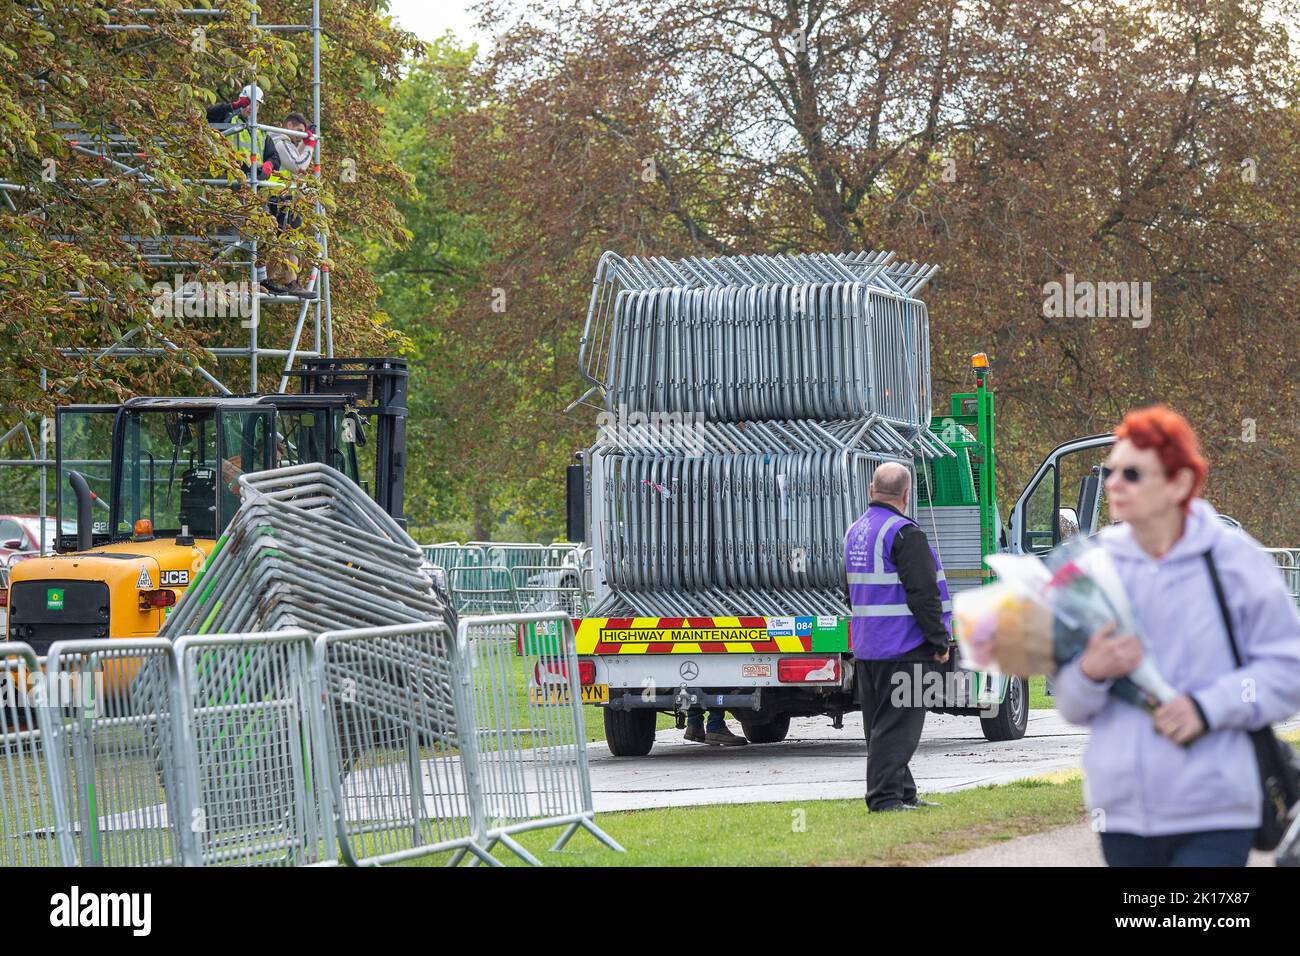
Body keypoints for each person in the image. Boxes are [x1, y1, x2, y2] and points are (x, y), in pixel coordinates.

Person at [1053, 405, 1300, 867]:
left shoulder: (1233, 561)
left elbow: (1289, 671)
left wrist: (1207, 707)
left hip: (1216, 808)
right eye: (1110, 472)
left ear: (1180, 483)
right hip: (1121, 812)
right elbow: (1070, 703)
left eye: (1132, 473)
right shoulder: (1090, 568)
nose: (1114, 484)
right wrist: (1090, 670)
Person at [844, 461, 951, 812]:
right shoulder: (905, 533)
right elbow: (924, 594)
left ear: (872, 491)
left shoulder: (855, 532)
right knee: (899, 729)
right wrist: (939, 640)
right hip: (904, 648)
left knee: (880, 725)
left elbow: (848, 589)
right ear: (907, 495)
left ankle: (903, 792)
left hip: (868, 649)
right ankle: (884, 799)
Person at [262, 112, 317, 297]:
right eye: (299, 132)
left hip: (282, 196)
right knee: (289, 240)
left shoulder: (282, 141)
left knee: (281, 241)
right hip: (280, 197)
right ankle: (289, 282)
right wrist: (309, 145)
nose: (298, 136)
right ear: (290, 126)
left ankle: (266, 280)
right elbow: (298, 165)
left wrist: (304, 143)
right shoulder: (280, 141)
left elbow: (295, 157)